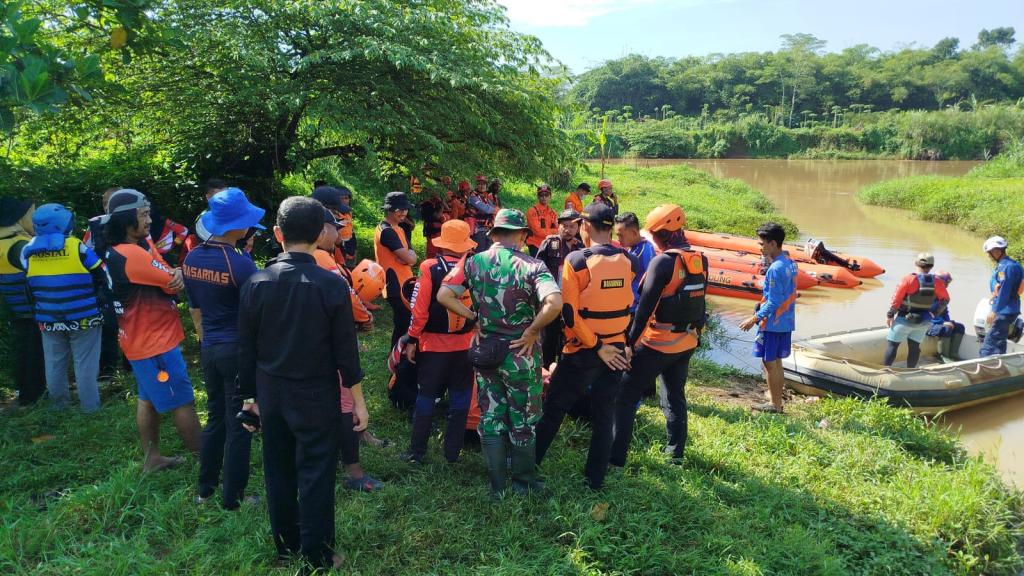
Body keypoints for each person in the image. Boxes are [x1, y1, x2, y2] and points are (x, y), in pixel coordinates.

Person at [237, 196, 366, 570]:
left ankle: (285, 546)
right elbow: (347, 353)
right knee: (316, 471)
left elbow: (248, 350)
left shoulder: (256, 282)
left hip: (271, 392)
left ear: (277, 234)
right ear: (320, 236)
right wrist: (358, 401)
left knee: (277, 469)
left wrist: (249, 398)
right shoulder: (330, 285)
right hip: (315, 393)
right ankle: (318, 554)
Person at [437, 208, 562, 496]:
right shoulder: (532, 266)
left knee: (490, 417)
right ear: (521, 235)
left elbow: (444, 294)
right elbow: (554, 303)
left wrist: (472, 318)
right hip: (521, 353)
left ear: (493, 234)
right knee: (524, 420)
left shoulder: (473, 262)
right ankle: (524, 483)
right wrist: (531, 331)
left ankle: (497, 487)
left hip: (486, 350)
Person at [534, 203, 639, 490]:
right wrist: (621, 343)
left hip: (583, 351)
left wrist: (596, 346)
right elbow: (627, 305)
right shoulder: (630, 260)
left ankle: (528, 466)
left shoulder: (577, 261)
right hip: (615, 350)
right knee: (604, 414)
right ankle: (595, 480)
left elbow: (569, 313)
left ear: (586, 226)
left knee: (554, 408)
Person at [101, 189, 201, 470]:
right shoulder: (132, 254)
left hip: (136, 339)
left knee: (147, 399)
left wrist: (173, 273)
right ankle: (205, 458)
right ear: (126, 219)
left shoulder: (126, 248)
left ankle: (152, 458)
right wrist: (177, 274)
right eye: (143, 215)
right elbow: (171, 279)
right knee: (182, 401)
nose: (149, 219)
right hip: (154, 342)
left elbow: (167, 273)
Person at [182, 187, 263, 509]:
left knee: (215, 418)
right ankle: (234, 498)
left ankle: (205, 489)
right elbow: (258, 314)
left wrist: (205, 339)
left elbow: (195, 307)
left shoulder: (192, 258)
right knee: (241, 423)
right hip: (237, 351)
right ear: (239, 227)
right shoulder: (241, 265)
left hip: (210, 348)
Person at [611, 204, 708, 467]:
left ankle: (616, 459)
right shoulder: (700, 259)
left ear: (661, 234)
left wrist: (628, 344)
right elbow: (701, 304)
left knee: (625, 394)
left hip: (657, 344)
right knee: (675, 395)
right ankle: (675, 454)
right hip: (686, 341)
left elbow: (644, 311)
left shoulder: (662, 262)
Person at [312, 207, 383, 492]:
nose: (339, 232)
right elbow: (346, 295)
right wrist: (364, 316)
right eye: (334, 227)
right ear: (320, 230)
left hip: (315, 341)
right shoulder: (321, 258)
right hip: (333, 338)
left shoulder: (314, 257)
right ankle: (354, 471)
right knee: (346, 401)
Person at [401, 219, 477, 464]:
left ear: (442, 243)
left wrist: (412, 339)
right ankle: (452, 453)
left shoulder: (429, 267)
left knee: (426, 397)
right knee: (461, 397)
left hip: (433, 346)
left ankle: (416, 452)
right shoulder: (476, 268)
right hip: (465, 345)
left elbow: (419, 310)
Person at [21, 204, 106, 413]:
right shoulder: (78, 247)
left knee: (54, 363)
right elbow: (101, 273)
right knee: (85, 363)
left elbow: (28, 283)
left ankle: (59, 407)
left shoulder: (28, 250)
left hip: (48, 318)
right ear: (66, 224)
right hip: (84, 316)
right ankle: (90, 409)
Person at [739, 223, 798, 413]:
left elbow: (773, 301)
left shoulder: (775, 269)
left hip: (773, 323)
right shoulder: (790, 263)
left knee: (769, 363)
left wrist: (753, 319)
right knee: (777, 363)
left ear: (773, 244)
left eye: (762, 244)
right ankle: (776, 402)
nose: (760, 247)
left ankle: (775, 405)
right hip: (786, 321)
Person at [0, 197, 45, 406]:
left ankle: (24, 392)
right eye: (32, 214)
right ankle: (32, 396)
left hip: (14, 308)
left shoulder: (4, 240)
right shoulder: (20, 245)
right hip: (29, 307)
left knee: (23, 351)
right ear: (20, 217)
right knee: (33, 353)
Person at [83, 187, 123, 381]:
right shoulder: (94, 227)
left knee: (117, 324)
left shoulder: (95, 226)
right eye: (106, 201)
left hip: (112, 281)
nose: (108, 205)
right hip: (107, 282)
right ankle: (109, 370)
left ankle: (116, 369)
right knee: (110, 326)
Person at [882, 253, 949, 368]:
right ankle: (910, 371)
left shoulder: (908, 279)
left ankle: (884, 371)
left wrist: (890, 315)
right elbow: (945, 299)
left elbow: (896, 299)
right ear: (931, 266)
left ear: (916, 263)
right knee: (914, 347)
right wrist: (934, 314)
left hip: (904, 319)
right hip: (923, 322)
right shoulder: (937, 282)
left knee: (892, 345)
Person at [534, 209, 583, 368]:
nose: (568, 230)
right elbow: (537, 269)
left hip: (572, 302)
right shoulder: (550, 243)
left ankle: (562, 374)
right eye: (564, 226)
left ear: (578, 228)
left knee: (568, 340)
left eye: (572, 227)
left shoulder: (581, 248)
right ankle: (545, 373)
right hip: (551, 300)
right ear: (558, 226)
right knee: (547, 339)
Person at [374, 192, 418, 348]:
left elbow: (412, 256)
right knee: (403, 324)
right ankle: (396, 361)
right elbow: (410, 258)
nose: (404, 213)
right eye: (400, 209)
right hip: (395, 286)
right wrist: (408, 258)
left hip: (405, 282)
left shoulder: (399, 229)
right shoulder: (386, 231)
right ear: (389, 210)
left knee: (405, 322)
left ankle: (401, 358)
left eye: (406, 209)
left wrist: (408, 257)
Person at [980, 236, 1024, 356]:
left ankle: (985, 369)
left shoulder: (1006, 267)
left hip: (1004, 311)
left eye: (989, 253)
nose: (989, 256)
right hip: (1010, 308)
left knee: (989, 344)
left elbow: (1005, 290)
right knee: (999, 342)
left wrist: (995, 310)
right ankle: (999, 366)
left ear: (996, 251)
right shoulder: (1014, 265)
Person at [614, 211, 656, 306]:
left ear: (634, 233)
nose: (618, 239)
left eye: (620, 235)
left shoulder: (640, 253)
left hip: (635, 306)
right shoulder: (640, 247)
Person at [312, 185, 357, 269]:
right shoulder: (316, 256)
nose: (337, 217)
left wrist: (339, 244)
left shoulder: (331, 244)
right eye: (335, 213)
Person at [183, 178, 230, 254]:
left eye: (227, 196)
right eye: (219, 196)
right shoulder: (203, 219)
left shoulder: (230, 213)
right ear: (208, 197)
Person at [927, 271, 967, 358]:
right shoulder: (928, 294)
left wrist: (948, 321)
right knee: (946, 329)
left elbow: (945, 312)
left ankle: (953, 354)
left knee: (960, 327)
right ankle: (943, 356)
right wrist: (942, 323)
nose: (947, 285)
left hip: (938, 322)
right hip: (926, 323)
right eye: (946, 282)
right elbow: (926, 314)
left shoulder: (942, 296)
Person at [466, 175, 498, 250]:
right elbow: (485, 209)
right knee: (479, 253)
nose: (482, 186)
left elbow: (493, 207)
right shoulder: (473, 197)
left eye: (484, 184)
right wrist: (496, 210)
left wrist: (500, 210)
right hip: (478, 230)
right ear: (476, 185)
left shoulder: (485, 197)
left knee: (488, 253)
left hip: (488, 229)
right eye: (480, 184)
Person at [526, 184, 558, 257]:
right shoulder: (532, 211)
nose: (544, 197)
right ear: (538, 196)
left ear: (550, 196)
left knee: (554, 264)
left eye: (546, 195)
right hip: (535, 245)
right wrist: (552, 231)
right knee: (538, 267)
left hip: (550, 243)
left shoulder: (553, 213)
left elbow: (558, 230)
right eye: (541, 195)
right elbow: (537, 231)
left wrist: (550, 231)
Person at [419, 188, 447, 259]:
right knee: (433, 250)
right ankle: (431, 264)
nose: (437, 196)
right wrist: (441, 207)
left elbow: (448, 208)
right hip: (432, 230)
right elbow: (437, 216)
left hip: (437, 230)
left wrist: (441, 202)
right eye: (435, 194)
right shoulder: (427, 204)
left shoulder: (436, 203)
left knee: (440, 249)